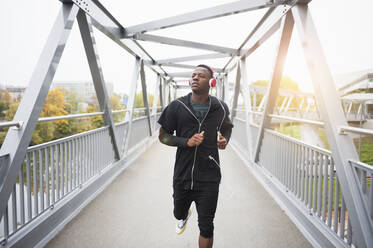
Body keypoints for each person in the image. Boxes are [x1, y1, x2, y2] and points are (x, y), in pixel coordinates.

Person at [157, 64, 233, 248]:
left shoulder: (220, 107)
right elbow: (163, 136)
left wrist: (224, 141)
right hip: (183, 175)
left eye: (201, 75)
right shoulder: (177, 106)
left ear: (212, 82)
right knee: (178, 213)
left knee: (207, 227)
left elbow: (227, 127)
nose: (196, 78)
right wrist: (186, 142)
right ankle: (183, 215)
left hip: (209, 176)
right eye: (194, 75)